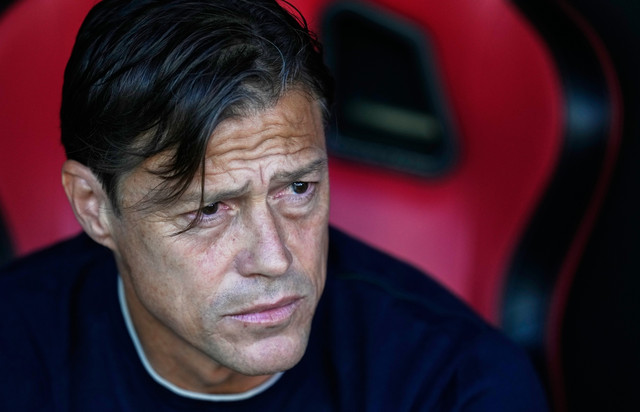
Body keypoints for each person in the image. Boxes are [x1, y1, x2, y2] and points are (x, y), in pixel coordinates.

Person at [0, 0, 548, 410]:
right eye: (208, 210)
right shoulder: (15, 353)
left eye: (298, 189)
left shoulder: (457, 385)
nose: (275, 257)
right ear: (94, 207)